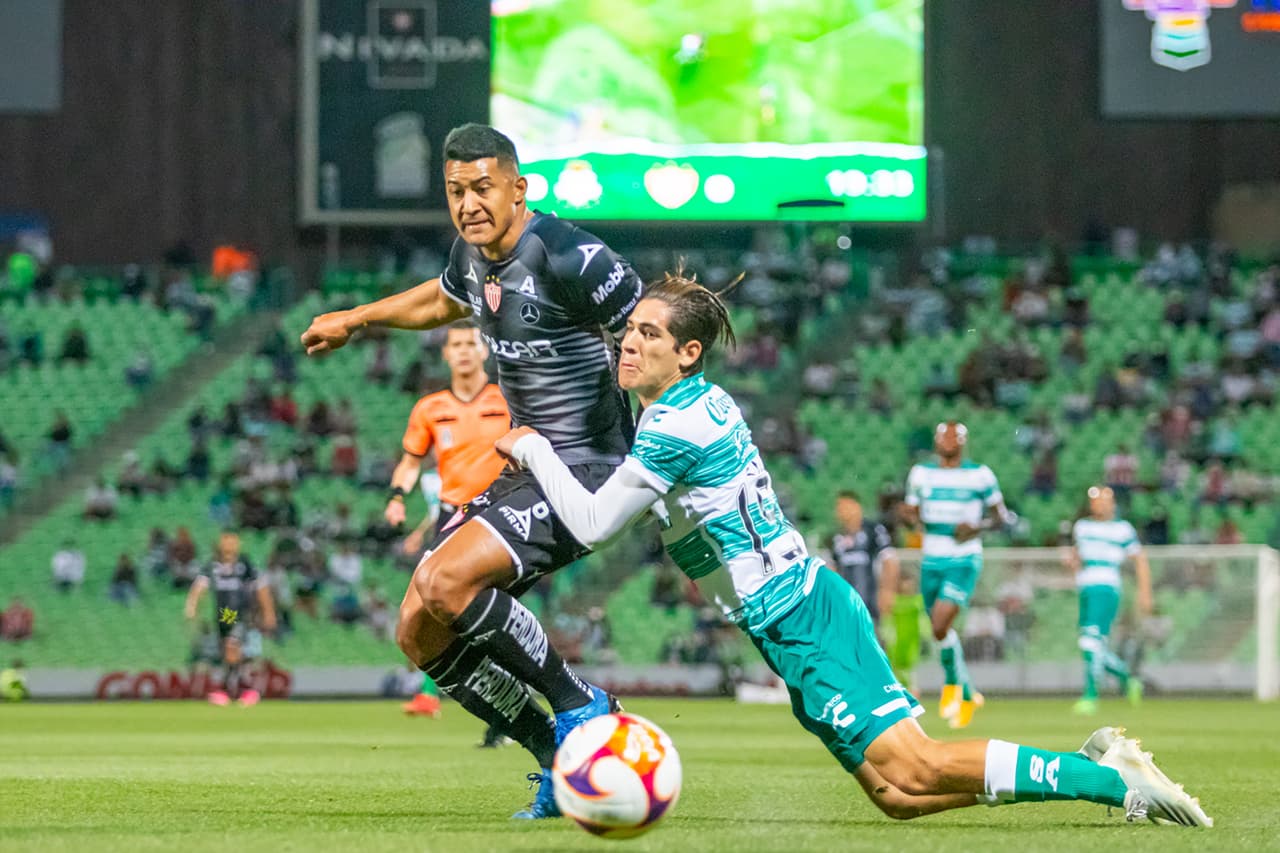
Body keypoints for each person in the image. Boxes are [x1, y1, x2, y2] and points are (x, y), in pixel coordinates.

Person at [497, 271, 1211, 828]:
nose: (629, 340)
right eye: (630, 328)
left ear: (687, 353)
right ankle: (1073, 771)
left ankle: (1113, 779)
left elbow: (591, 523)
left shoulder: (673, 427)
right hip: (788, 620)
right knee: (897, 796)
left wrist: (531, 445)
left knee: (921, 766)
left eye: (648, 333)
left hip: (804, 616)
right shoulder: (690, 402)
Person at [300, 123, 643, 819]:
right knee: (418, 630)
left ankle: (583, 703)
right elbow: (441, 298)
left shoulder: (572, 256)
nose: (469, 203)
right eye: (456, 191)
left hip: (588, 467)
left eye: (483, 187)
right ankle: (558, 757)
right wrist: (357, 318)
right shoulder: (473, 255)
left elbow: (654, 332)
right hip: (529, 464)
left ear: (520, 188)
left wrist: (664, 454)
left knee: (442, 579)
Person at [384, 319, 511, 720]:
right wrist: (397, 497)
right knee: (422, 612)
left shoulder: (507, 400)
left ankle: (503, 700)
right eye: (454, 344)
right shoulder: (431, 408)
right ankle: (430, 693)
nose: (462, 351)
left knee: (488, 613)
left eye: (470, 343)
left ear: (484, 350)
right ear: (445, 353)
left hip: (500, 516)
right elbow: (409, 462)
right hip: (450, 514)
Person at [900, 422, 1013, 729]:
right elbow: (911, 512)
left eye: (954, 436)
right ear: (935, 441)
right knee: (940, 630)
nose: (948, 440)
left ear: (964, 441)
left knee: (939, 624)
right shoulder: (921, 473)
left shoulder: (980, 474)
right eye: (943, 435)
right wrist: (908, 517)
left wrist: (978, 527)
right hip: (931, 559)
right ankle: (968, 691)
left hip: (963, 558)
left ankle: (952, 686)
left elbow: (1003, 518)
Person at [1070, 486, 1152, 715]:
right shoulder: (1082, 527)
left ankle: (1090, 695)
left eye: (1104, 500)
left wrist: (1144, 592)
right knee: (1090, 644)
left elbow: (1139, 559)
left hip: (1106, 587)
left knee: (1091, 641)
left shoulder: (1122, 529)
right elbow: (1077, 556)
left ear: (1113, 503)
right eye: (1095, 500)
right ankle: (1128, 677)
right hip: (1086, 587)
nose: (1100, 504)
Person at [184, 531, 277, 706]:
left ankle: (233, 689)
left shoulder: (245, 564)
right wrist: (191, 607)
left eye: (232, 540)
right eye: (226, 540)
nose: (229, 544)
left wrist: (268, 612)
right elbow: (199, 587)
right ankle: (241, 689)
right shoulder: (212, 566)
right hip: (223, 615)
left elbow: (261, 588)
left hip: (240, 613)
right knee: (229, 653)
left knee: (232, 646)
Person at [824, 490, 899, 638]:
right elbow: (831, 569)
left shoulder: (874, 531)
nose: (842, 511)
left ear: (857, 507)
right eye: (839, 508)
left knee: (874, 643)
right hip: (847, 604)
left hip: (871, 602)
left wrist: (887, 591)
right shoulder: (835, 538)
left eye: (846, 506)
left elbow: (890, 561)